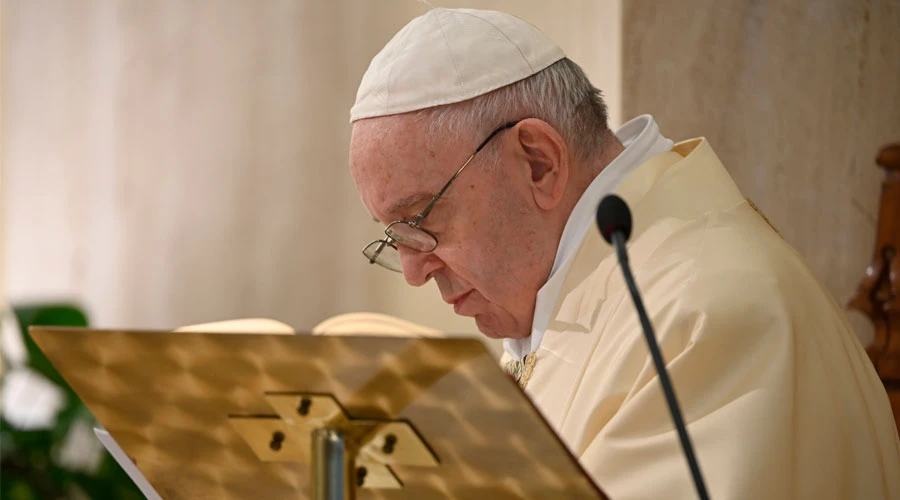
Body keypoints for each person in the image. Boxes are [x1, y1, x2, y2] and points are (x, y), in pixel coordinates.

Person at [347, 6, 900, 499]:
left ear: (539, 162)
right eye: (396, 238)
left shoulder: (707, 316)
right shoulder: (576, 295)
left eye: (420, 219)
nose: (415, 271)